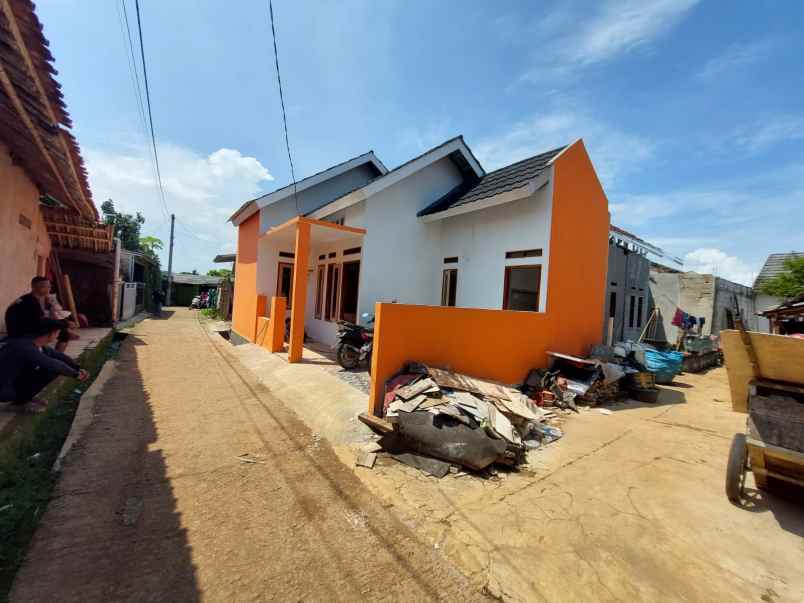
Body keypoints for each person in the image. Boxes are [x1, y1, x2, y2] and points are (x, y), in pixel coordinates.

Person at [0, 319, 88, 413]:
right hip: (3, 390)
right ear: (51, 334)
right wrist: (75, 374)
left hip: (7, 382)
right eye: (58, 332)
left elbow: (58, 355)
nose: (58, 335)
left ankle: (23, 397)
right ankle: (19, 403)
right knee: (50, 370)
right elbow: (54, 365)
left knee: (46, 367)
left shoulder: (31, 342)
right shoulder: (25, 347)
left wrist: (77, 368)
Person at [5, 276, 74, 353]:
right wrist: (65, 324)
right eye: (45, 287)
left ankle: (52, 353)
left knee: (61, 328)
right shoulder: (30, 302)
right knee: (63, 333)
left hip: (21, 329)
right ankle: (45, 350)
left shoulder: (29, 298)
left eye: (49, 286)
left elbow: (41, 318)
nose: (49, 289)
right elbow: (40, 321)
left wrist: (58, 318)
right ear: (34, 287)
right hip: (20, 333)